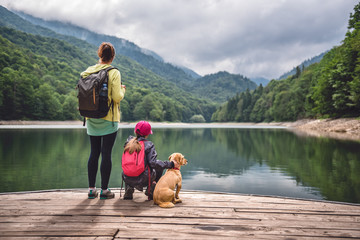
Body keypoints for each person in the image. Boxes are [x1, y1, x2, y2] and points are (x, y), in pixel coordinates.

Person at [82, 42, 126, 199]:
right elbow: (116, 97)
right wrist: (122, 90)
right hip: (109, 119)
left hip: (91, 117)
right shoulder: (113, 72)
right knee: (106, 153)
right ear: (113, 57)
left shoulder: (88, 71)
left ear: (99, 54)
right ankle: (104, 190)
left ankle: (91, 189)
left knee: (94, 152)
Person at [122, 121, 179, 200]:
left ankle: (129, 188)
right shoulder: (149, 144)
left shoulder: (128, 143)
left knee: (129, 166)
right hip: (143, 179)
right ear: (147, 134)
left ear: (135, 131)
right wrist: (171, 164)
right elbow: (153, 163)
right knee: (159, 166)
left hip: (126, 177)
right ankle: (151, 189)